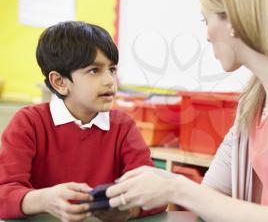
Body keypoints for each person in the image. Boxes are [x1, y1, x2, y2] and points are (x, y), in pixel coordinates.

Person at [104, 0, 268, 222]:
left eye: (205, 20)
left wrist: (174, 187)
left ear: (233, 18)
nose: (207, 36)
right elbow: (211, 195)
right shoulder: (254, 99)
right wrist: (156, 182)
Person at [0, 21, 164, 221]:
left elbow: (155, 191)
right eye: (94, 70)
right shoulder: (29, 123)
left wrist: (128, 211)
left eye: (112, 69)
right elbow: (4, 193)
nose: (109, 81)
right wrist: (43, 200)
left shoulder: (123, 126)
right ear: (60, 82)